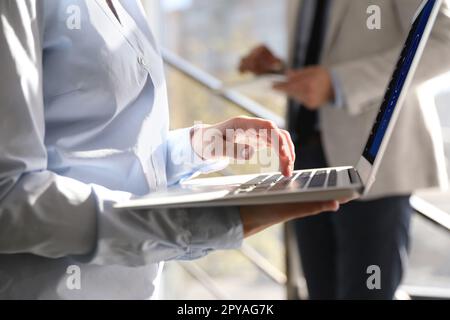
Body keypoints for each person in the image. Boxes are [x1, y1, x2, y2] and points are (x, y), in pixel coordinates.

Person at [0, 0, 343, 299]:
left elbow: (113, 149)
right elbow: (9, 196)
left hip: (137, 285)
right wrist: (207, 224)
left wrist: (200, 146)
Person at [240, 0, 450, 299]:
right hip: (305, 162)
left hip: (374, 162)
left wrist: (341, 83)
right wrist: (281, 69)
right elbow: (329, 54)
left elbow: (443, 40)